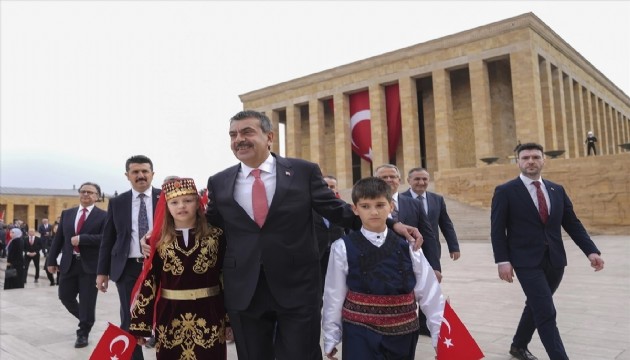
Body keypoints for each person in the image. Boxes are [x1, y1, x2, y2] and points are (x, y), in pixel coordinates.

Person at [205, 110, 420, 360]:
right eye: (233, 134)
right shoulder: (219, 182)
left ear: (269, 136)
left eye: (247, 132)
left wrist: (391, 225)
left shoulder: (302, 172)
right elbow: (211, 226)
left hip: (297, 286)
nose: (239, 139)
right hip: (245, 290)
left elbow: (337, 210)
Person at [491, 142, 605, 360]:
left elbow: (572, 224)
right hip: (525, 262)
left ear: (544, 160)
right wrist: (502, 261)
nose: (531, 161)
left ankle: (518, 346)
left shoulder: (556, 190)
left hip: (555, 261)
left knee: (535, 304)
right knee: (546, 310)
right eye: (525, 158)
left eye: (535, 157)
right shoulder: (505, 191)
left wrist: (591, 251)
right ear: (518, 162)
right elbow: (497, 230)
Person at [322, 177, 445, 360]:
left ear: (391, 207)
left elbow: (429, 292)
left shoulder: (410, 247)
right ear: (355, 209)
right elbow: (334, 294)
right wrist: (331, 336)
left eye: (380, 205)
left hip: (402, 334)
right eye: (365, 206)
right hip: (359, 333)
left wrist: (439, 337)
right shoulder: (342, 247)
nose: (374, 212)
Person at [129, 177, 227, 359]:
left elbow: (224, 277)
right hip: (170, 313)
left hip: (210, 312)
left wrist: (229, 321)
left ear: (198, 202)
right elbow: (150, 282)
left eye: (188, 200)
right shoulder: (157, 241)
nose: (181, 206)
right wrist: (140, 325)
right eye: (174, 202)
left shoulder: (216, 236)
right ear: (166, 206)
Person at [97, 155, 160, 360]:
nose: (140, 176)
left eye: (145, 171)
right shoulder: (117, 202)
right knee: (130, 318)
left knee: (164, 313)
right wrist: (102, 272)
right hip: (128, 268)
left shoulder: (166, 198)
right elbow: (108, 239)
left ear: (152, 174)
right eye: (135, 172)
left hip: (162, 266)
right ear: (127, 175)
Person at [374, 164, 440, 338]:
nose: (389, 180)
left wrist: (435, 266)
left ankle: (407, 332)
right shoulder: (368, 205)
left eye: (392, 176)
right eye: (383, 177)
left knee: (409, 303)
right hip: (378, 265)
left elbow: (428, 235)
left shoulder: (413, 203)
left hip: (409, 264)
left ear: (399, 180)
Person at [46, 182, 107, 348]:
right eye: (83, 191)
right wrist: (50, 261)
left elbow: (106, 239)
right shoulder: (68, 214)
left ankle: (83, 333)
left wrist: (82, 239)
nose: (86, 194)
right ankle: (87, 319)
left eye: (90, 192)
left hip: (90, 266)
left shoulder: (104, 216)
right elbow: (59, 239)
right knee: (65, 296)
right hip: (69, 263)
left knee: (87, 301)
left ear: (97, 196)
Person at [401, 167, 460, 261]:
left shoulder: (437, 199)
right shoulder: (400, 199)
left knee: (434, 275)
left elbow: (446, 225)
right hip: (408, 248)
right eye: (417, 179)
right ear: (408, 180)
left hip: (432, 249)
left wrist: (454, 247)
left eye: (424, 179)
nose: (421, 182)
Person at [313, 175, 348, 296]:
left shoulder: (343, 208)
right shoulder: (309, 208)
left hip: (337, 254)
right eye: (325, 186)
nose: (329, 189)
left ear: (336, 189)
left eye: (332, 186)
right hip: (317, 255)